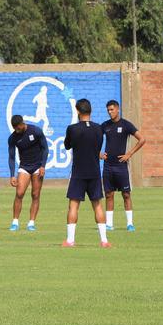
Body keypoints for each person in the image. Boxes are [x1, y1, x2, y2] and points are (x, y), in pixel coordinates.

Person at [63, 99, 109, 248]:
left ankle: (70, 240)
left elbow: (67, 145)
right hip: (94, 172)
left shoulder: (72, 129)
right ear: (90, 111)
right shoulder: (99, 129)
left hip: (78, 173)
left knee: (73, 206)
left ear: (78, 111)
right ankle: (104, 240)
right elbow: (97, 149)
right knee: (98, 205)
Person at [100, 100, 146, 231]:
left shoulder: (126, 125)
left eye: (112, 110)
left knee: (126, 194)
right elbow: (94, 138)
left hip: (121, 166)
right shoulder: (105, 126)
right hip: (108, 166)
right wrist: (98, 153)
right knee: (109, 194)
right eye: (108, 110)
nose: (110, 112)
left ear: (118, 109)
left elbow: (142, 139)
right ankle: (109, 224)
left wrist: (129, 154)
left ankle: (130, 224)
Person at [7, 114, 48, 231]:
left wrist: (43, 166)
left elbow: (45, 149)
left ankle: (31, 223)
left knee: (35, 195)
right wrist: (12, 175)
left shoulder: (36, 131)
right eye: (14, 128)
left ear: (22, 123)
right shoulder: (12, 138)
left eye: (18, 128)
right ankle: (15, 222)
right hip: (24, 167)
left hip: (37, 167)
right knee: (19, 193)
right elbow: (11, 157)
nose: (16, 130)